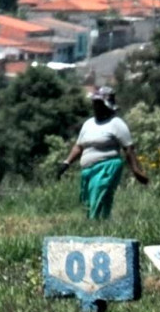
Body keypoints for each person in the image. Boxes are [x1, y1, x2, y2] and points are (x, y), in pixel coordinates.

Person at [56, 85, 149, 220]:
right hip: (88, 170)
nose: (96, 107)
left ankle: (98, 225)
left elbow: (128, 149)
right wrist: (66, 163)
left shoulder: (116, 124)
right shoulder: (89, 124)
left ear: (107, 105)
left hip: (107, 167)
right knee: (88, 201)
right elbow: (79, 146)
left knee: (98, 194)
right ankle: (97, 226)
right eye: (95, 103)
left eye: (99, 104)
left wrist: (136, 170)